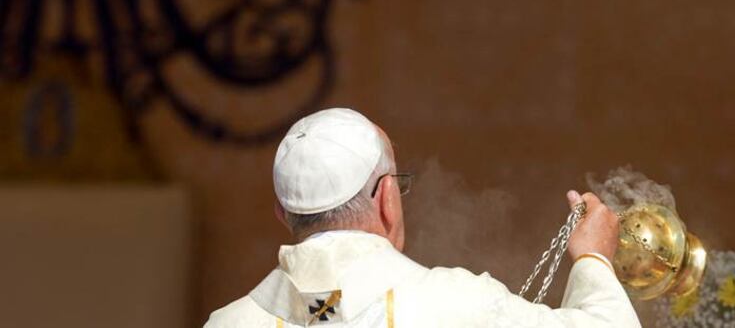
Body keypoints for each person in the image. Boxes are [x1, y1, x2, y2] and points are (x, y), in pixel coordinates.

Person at [204, 108, 642, 327]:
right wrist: (592, 261)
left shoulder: (229, 324)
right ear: (387, 199)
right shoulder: (457, 307)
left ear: (282, 213)